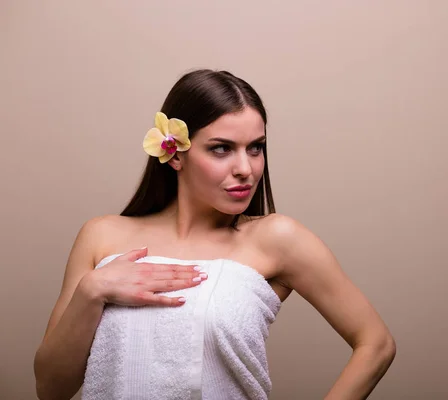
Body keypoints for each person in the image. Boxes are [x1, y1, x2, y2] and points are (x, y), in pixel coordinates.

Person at [33, 69, 396, 400]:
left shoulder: (275, 239)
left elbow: (375, 343)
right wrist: (92, 291)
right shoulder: (102, 236)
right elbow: (51, 388)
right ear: (175, 155)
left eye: (256, 148)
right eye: (221, 149)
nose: (245, 168)